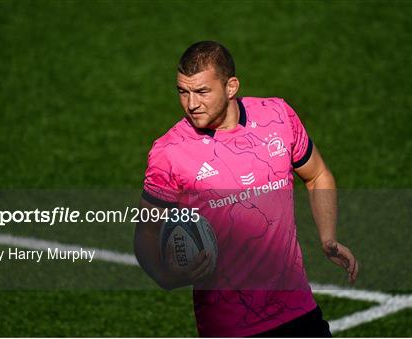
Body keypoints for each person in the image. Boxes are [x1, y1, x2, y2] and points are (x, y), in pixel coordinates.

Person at [134, 41, 358, 337]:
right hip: (230, 326)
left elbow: (317, 175)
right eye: (182, 91)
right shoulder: (169, 152)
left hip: (298, 309)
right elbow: (146, 231)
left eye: (202, 92)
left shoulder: (277, 116)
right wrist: (166, 276)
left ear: (231, 87)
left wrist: (328, 237)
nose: (191, 104)